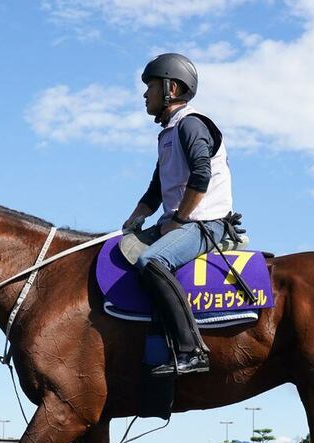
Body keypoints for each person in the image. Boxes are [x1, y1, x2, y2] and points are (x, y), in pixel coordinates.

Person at [122, 53, 234, 376]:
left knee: (152, 262)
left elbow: (201, 176)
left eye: (151, 87)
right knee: (123, 251)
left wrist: (179, 220)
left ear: (171, 88)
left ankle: (192, 349)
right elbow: (155, 191)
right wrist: (133, 220)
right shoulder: (168, 133)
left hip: (207, 225)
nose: (145, 94)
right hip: (180, 223)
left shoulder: (191, 125)